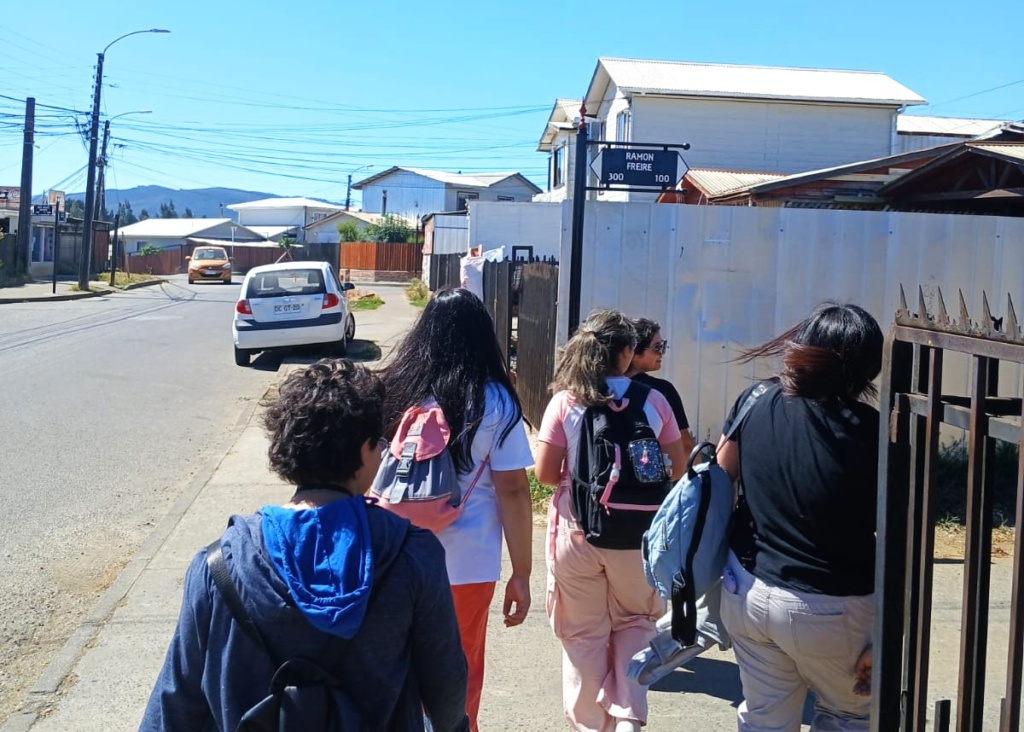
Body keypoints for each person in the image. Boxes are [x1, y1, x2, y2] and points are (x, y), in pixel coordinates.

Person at [141, 359, 469, 731]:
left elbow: (175, 702)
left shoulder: (218, 568)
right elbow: (446, 690)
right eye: (378, 444)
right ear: (363, 451)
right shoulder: (412, 554)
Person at [715, 302, 882, 731]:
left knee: (765, 719)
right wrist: (887, 631)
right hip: (833, 607)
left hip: (747, 590)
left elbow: (720, 475)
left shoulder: (755, 399)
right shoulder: (873, 430)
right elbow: (900, 535)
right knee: (849, 716)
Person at [379, 287, 534, 732]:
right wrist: (522, 573)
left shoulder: (398, 391)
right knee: (459, 669)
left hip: (396, 553)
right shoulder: (495, 402)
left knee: (397, 665)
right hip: (468, 563)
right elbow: (513, 492)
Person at [534, 310, 687, 732]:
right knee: (636, 624)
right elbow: (677, 467)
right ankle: (627, 719)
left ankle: (589, 725)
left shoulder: (566, 401)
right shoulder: (653, 400)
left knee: (584, 634)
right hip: (638, 536)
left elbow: (545, 474)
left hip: (577, 532)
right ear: (626, 352)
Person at [626, 318, 695, 458]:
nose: (662, 352)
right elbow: (685, 447)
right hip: (648, 469)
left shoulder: (599, 388)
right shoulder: (662, 390)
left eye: (663, 345)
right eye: (658, 347)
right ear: (633, 353)